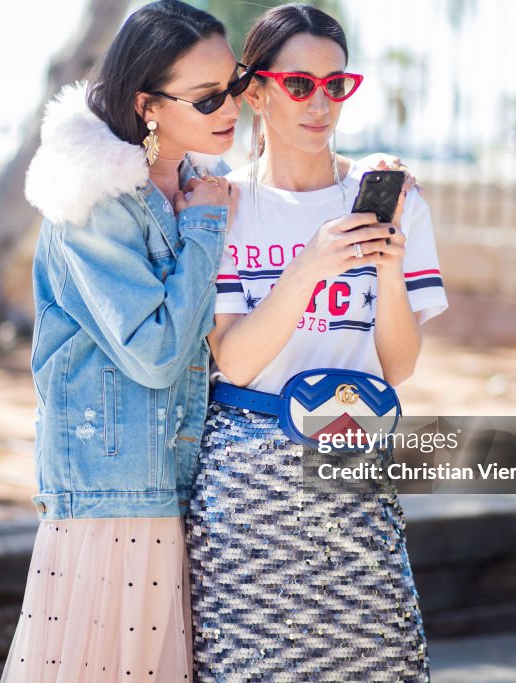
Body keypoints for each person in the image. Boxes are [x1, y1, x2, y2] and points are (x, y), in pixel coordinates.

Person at [185, 5, 448, 682]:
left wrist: (385, 265)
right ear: (258, 91)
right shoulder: (223, 204)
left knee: (379, 656)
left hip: (352, 457)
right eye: (299, 84)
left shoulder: (390, 198)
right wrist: (310, 267)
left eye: (337, 85)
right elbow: (234, 358)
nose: (320, 102)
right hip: (247, 476)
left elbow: (400, 362)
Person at [0, 2, 247, 680]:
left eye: (237, 83)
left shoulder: (196, 188)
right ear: (149, 106)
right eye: (208, 96)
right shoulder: (94, 201)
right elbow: (158, 351)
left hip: (169, 488)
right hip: (109, 498)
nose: (233, 105)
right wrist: (202, 231)